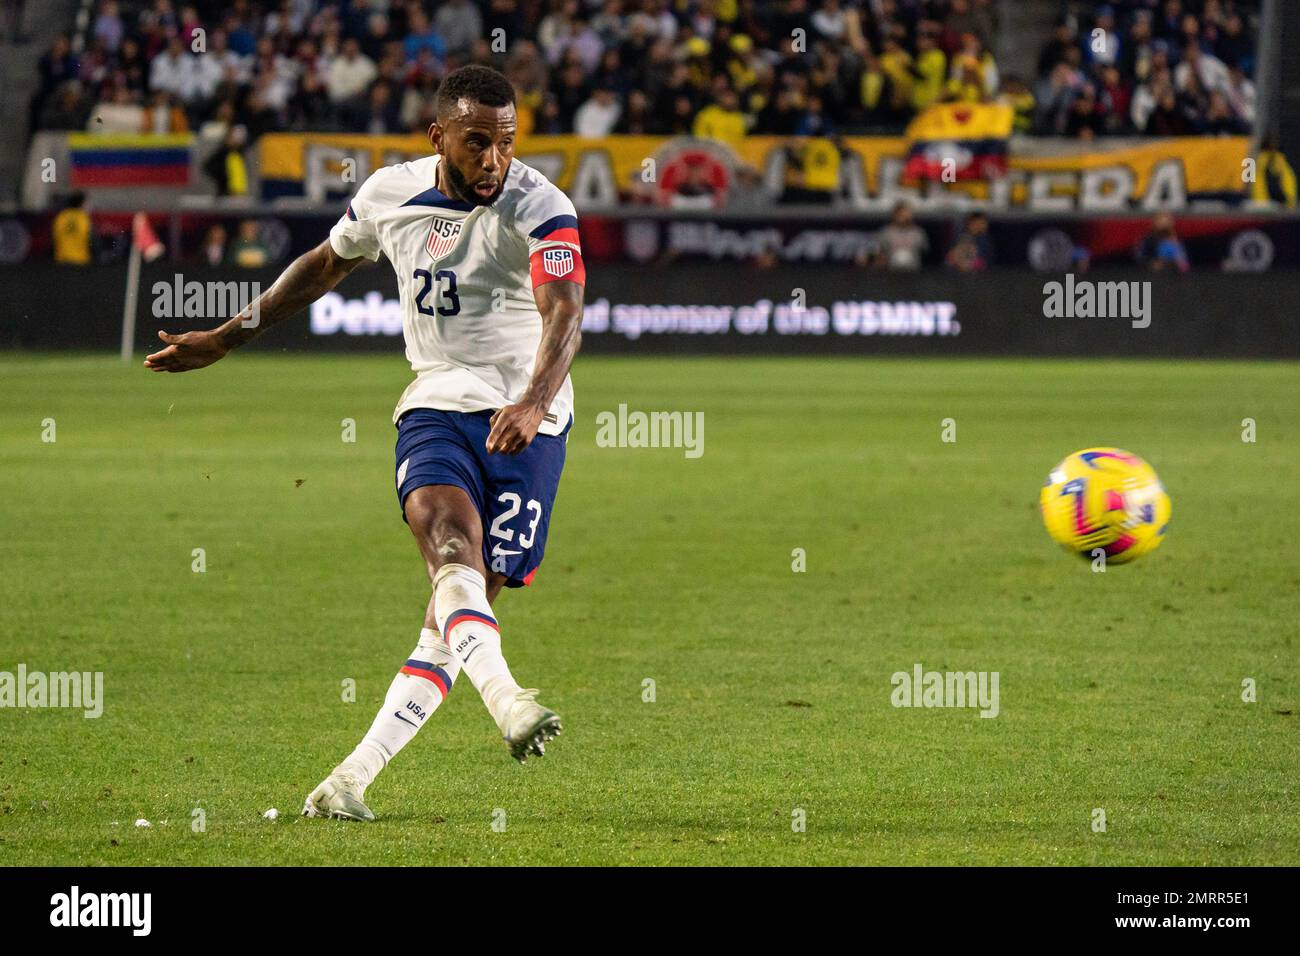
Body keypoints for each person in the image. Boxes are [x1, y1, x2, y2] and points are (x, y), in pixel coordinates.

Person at [143, 65, 584, 822]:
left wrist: (534, 398)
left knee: (457, 613)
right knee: (450, 547)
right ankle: (508, 699)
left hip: (528, 422)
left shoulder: (540, 204)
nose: (494, 161)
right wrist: (225, 337)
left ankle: (350, 778)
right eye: (478, 142)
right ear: (437, 135)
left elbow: (564, 307)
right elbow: (321, 267)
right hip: (437, 407)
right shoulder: (389, 195)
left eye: (506, 143)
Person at [52, 193, 91, 264]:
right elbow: (90, 238)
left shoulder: (61, 216)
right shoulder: (83, 217)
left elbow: (55, 236)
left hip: (61, 258)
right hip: (79, 259)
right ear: (81, 204)